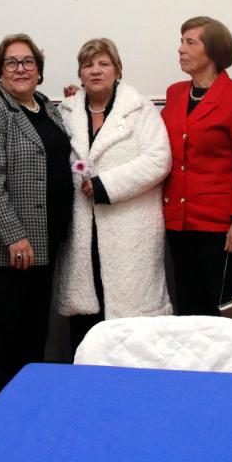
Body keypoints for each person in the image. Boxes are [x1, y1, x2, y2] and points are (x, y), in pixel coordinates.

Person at [0, 34, 72, 395]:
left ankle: (28, 400)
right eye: (11, 62)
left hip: (45, 238)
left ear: (39, 71)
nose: (21, 69)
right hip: (6, 246)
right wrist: (14, 236)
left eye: (28, 62)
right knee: (4, 335)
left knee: (33, 328)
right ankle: (4, 406)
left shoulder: (47, 108)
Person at [56, 38, 172, 351]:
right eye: (88, 65)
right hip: (82, 230)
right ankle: (86, 375)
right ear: (80, 73)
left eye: (104, 64)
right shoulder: (66, 111)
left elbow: (159, 159)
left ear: (117, 70)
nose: (96, 71)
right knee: (86, 317)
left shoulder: (139, 109)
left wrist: (106, 184)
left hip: (129, 231)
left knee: (132, 325)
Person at [161, 16, 232, 316]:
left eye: (190, 42)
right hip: (179, 221)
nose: (181, 48)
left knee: (226, 310)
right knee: (189, 308)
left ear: (213, 51)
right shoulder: (175, 93)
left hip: (221, 225)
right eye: (181, 41)